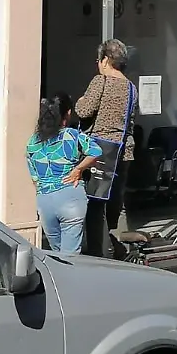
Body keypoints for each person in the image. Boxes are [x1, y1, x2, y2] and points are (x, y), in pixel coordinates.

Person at [75, 39, 138, 257]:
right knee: (115, 203)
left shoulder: (100, 82)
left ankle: (99, 252)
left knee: (95, 204)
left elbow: (84, 111)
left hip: (99, 151)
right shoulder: (131, 87)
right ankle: (120, 247)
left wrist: (81, 100)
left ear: (105, 60)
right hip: (123, 151)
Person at [27, 93, 103, 254]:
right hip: (70, 196)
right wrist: (78, 169)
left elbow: (35, 180)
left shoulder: (33, 142)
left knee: (56, 254)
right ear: (67, 114)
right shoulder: (72, 135)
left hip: (45, 201)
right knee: (71, 256)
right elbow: (96, 152)